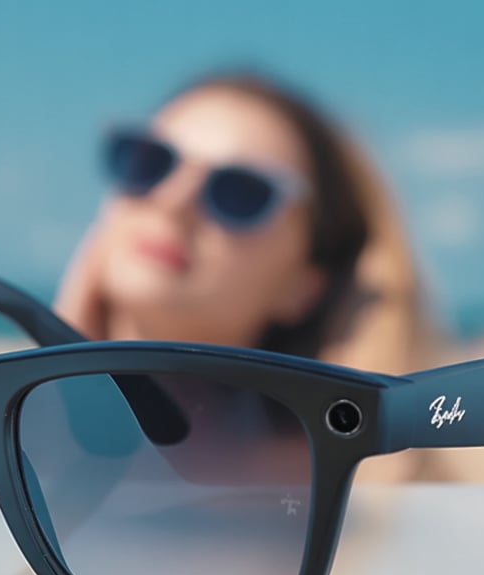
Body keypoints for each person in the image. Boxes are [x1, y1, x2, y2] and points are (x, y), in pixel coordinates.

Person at [53, 71, 440, 482]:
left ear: (302, 286)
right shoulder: (28, 432)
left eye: (239, 192)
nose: (173, 199)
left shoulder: (317, 497)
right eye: (149, 162)